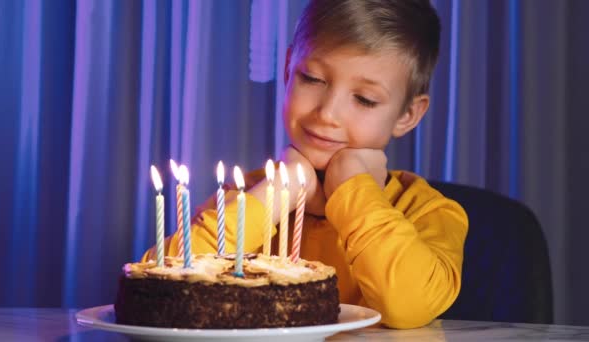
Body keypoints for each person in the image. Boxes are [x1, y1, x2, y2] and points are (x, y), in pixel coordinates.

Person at [142, 0, 468, 329]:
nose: (327, 113)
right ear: (288, 69)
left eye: (364, 99)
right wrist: (280, 192)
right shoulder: (246, 199)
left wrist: (351, 186)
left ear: (407, 115)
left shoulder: (429, 212)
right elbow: (156, 287)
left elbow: (409, 307)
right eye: (312, 79)